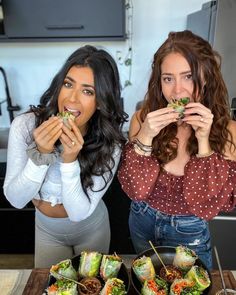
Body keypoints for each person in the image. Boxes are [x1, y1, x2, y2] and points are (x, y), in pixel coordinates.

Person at [118, 30, 236, 270]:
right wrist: (146, 135)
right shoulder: (143, 119)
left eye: (188, 76)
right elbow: (136, 190)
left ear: (207, 76)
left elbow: (208, 207)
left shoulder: (229, 132)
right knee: (149, 283)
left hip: (189, 231)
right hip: (141, 219)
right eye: (168, 79)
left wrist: (204, 142)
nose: (177, 91)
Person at [4, 45, 128, 267]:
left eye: (87, 91)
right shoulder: (25, 126)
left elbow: (79, 213)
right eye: (68, 84)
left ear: (100, 101)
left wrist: (70, 161)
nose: (72, 98)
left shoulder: (111, 144)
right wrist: (41, 154)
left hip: (92, 227)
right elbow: (16, 199)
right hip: (46, 229)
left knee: (91, 288)